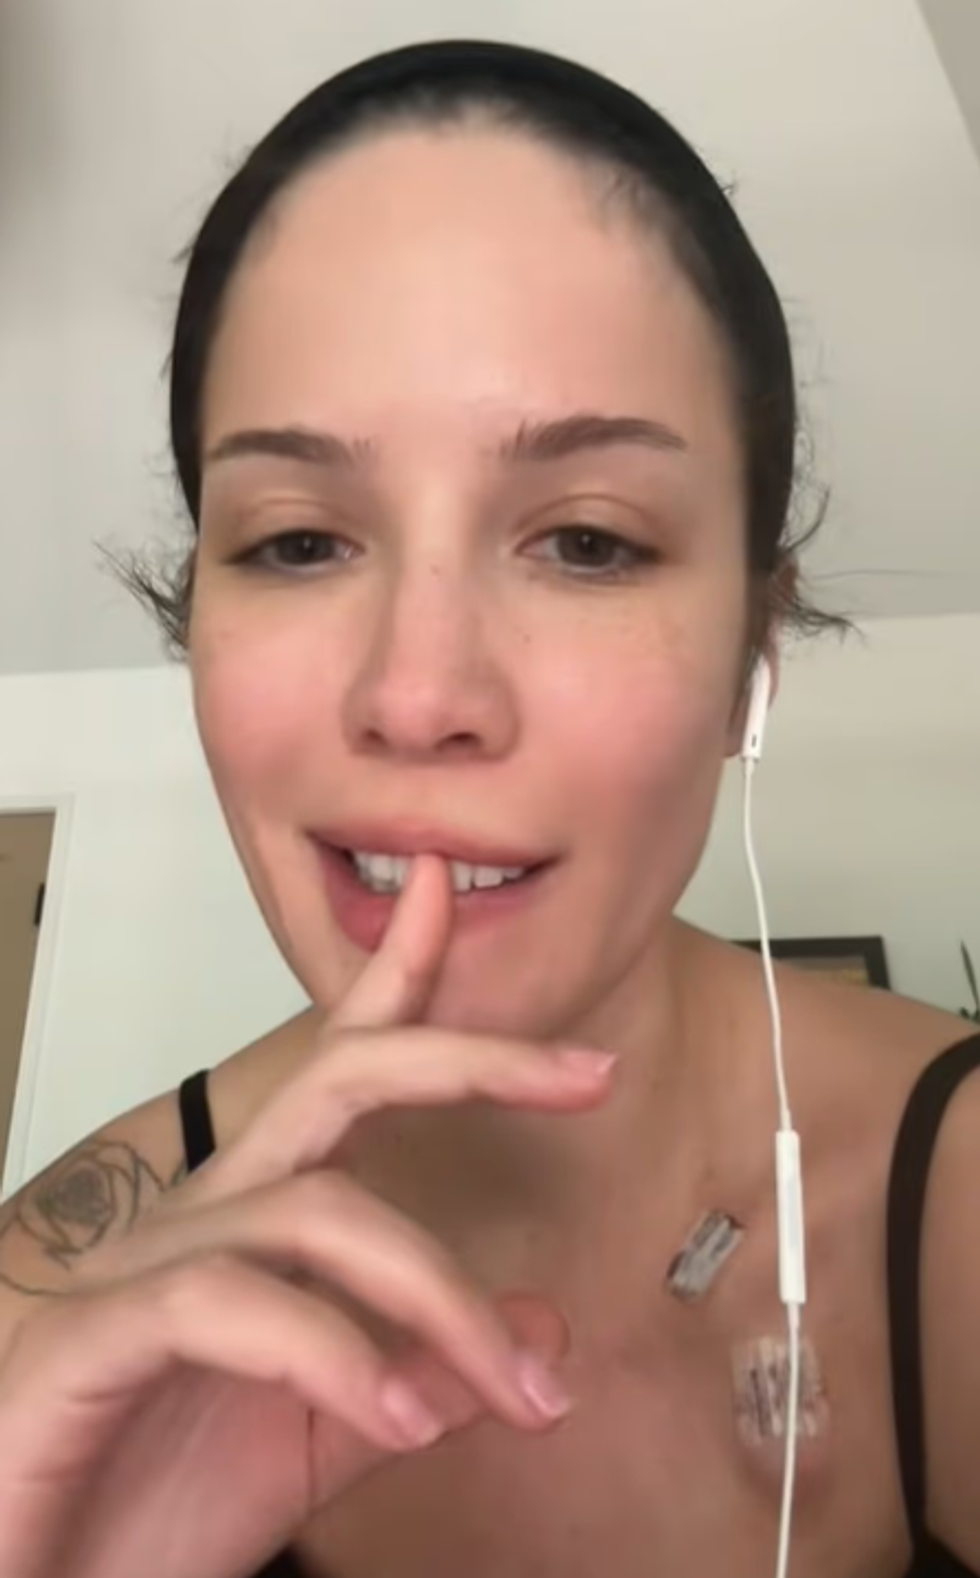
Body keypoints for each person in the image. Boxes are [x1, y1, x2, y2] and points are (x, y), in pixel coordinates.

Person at [0, 36, 978, 1578]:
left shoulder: (959, 1204)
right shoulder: (38, 1317)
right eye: (299, 540)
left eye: (588, 541)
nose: (416, 691)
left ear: (752, 658)